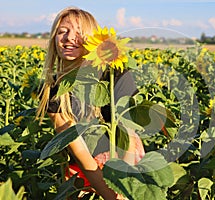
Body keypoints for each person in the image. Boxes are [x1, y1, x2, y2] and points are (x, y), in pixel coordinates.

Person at [35, 7, 145, 199]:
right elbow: (78, 148)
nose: (69, 38)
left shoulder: (114, 74)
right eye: (62, 31)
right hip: (83, 170)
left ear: (92, 39)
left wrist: (122, 189)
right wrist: (109, 195)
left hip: (126, 163)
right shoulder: (55, 87)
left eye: (78, 32)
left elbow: (129, 136)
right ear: (54, 38)